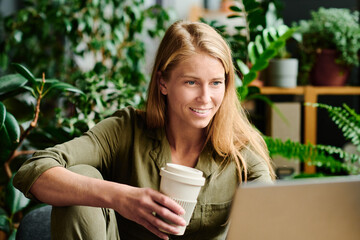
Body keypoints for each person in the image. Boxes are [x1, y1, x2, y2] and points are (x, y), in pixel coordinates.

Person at [14, 20, 275, 240]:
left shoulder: (241, 150)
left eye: (216, 83)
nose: (205, 98)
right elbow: (32, 171)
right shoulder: (126, 130)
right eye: (191, 82)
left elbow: (275, 217)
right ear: (163, 82)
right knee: (82, 176)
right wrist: (121, 197)